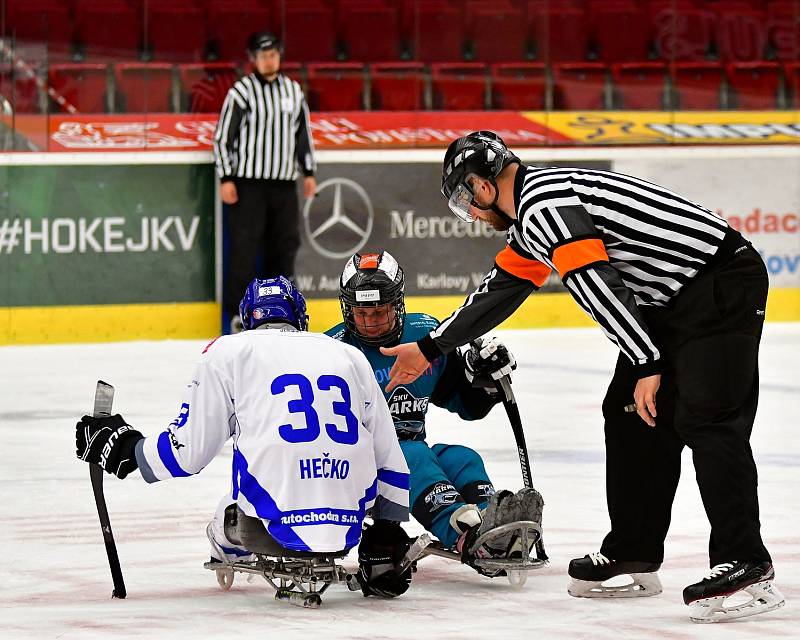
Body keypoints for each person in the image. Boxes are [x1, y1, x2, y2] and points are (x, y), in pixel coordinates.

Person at [379, 131, 784, 621]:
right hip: (671, 303)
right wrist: (428, 347)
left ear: (481, 187)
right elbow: (498, 293)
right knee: (630, 412)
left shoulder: (544, 209)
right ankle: (633, 547)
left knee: (709, 420)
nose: (475, 216)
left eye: (468, 204)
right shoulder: (533, 216)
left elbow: (599, 285)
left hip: (719, 284)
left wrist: (646, 362)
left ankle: (745, 561)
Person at [75, 276, 413, 599]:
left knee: (231, 504)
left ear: (246, 322)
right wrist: (387, 533)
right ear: (301, 319)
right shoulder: (348, 354)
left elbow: (187, 453)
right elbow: (389, 458)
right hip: (347, 528)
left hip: (263, 531)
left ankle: (226, 544)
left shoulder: (228, 351)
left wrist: (127, 448)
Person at [325, 250, 544, 576]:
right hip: (349, 468)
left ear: (398, 305)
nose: (370, 323)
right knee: (411, 453)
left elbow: (465, 404)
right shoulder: (335, 352)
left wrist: (484, 381)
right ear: (347, 310)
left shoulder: (423, 337)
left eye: (380, 312)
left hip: (408, 456)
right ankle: (467, 536)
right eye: (362, 313)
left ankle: (492, 524)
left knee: (461, 457)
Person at [213, 31, 317, 333]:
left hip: (284, 185)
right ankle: (236, 317)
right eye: (263, 56)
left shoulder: (293, 91)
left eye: (273, 54)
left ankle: (282, 315)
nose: (269, 60)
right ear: (253, 59)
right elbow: (223, 139)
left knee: (284, 248)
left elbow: (303, 136)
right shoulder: (241, 92)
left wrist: (308, 172)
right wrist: (226, 177)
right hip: (249, 185)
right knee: (244, 252)